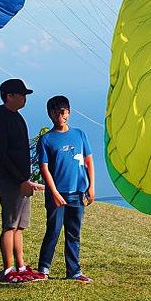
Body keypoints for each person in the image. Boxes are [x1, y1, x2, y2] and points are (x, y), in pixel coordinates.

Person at [0, 78, 45, 283]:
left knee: (20, 226)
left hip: (23, 181)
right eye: (21, 95)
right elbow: (2, 154)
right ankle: (7, 269)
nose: (24, 99)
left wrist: (26, 179)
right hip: (10, 181)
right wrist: (21, 179)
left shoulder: (17, 117)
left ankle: (20, 266)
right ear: (9, 96)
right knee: (9, 225)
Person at [35, 95, 94, 283]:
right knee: (53, 230)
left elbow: (88, 161)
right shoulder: (46, 140)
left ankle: (74, 271)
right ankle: (43, 269)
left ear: (68, 112)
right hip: (56, 194)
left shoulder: (79, 134)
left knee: (73, 233)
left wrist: (91, 186)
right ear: (49, 115)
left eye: (62, 112)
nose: (59, 116)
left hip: (78, 193)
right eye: (54, 112)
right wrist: (54, 192)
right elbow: (44, 168)